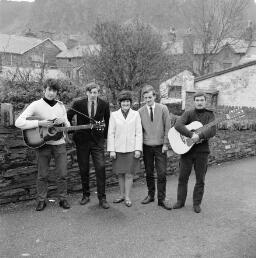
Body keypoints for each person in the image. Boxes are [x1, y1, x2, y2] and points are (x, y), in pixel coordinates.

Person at [15, 79, 71, 211]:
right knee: (42, 175)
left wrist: (64, 120)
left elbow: (67, 126)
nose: (52, 93)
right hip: (43, 144)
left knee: (62, 173)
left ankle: (62, 198)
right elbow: (18, 122)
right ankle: (41, 200)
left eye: (54, 90)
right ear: (44, 90)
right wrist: (39, 124)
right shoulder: (36, 105)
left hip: (59, 144)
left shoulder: (61, 105)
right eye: (49, 90)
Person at [67, 82, 110, 209]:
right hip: (82, 141)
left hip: (97, 141)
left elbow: (108, 121)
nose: (93, 95)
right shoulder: (78, 104)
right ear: (87, 93)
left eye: (95, 92)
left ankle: (102, 198)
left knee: (101, 167)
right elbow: (67, 117)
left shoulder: (104, 104)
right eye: (90, 92)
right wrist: (72, 131)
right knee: (83, 169)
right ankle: (86, 195)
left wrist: (105, 138)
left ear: (98, 93)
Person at [173, 91, 216, 213]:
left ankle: (196, 204)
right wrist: (191, 134)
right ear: (194, 102)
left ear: (205, 101)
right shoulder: (188, 113)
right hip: (187, 152)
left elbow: (212, 131)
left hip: (202, 151)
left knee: (200, 179)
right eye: (197, 100)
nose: (200, 102)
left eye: (202, 100)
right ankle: (180, 202)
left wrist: (200, 135)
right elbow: (178, 125)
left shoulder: (210, 115)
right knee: (182, 178)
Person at [138, 85, 172, 210]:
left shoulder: (163, 108)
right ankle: (150, 195)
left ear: (155, 97)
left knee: (162, 173)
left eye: (150, 97)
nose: (148, 100)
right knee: (149, 172)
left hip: (160, 147)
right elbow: (139, 131)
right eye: (145, 98)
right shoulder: (140, 112)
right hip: (146, 147)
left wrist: (165, 144)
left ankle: (162, 199)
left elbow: (168, 127)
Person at [107, 91, 142, 207]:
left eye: (127, 101)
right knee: (120, 174)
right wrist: (111, 149)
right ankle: (121, 195)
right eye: (123, 101)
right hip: (118, 149)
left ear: (130, 103)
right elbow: (110, 133)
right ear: (120, 103)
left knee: (129, 174)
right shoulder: (114, 115)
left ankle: (127, 197)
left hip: (132, 149)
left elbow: (139, 133)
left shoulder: (136, 114)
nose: (125, 103)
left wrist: (138, 149)